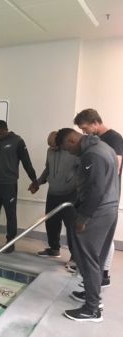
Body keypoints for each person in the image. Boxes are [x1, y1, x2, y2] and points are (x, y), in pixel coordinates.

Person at [56, 128, 118, 322]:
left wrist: (83, 217)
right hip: (109, 208)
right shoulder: (103, 147)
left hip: (97, 212)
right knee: (96, 259)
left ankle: (92, 309)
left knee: (89, 259)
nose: (68, 152)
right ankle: (93, 297)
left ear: (73, 139)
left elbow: (96, 189)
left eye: (67, 148)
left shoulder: (92, 154)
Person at [73, 108, 123, 287]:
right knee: (92, 243)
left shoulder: (114, 139)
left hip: (105, 198)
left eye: (85, 128)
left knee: (102, 241)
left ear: (95, 122)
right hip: (95, 195)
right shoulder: (95, 142)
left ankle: (103, 275)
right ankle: (91, 277)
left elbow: (115, 168)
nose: (84, 132)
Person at [0, 120, 38, 253]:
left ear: (5, 129)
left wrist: (34, 180)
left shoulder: (17, 141)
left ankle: (10, 242)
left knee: (10, 214)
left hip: (9, 184)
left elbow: (26, 162)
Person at [29, 131, 78, 258]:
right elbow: (48, 169)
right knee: (51, 222)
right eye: (50, 146)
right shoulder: (50, 151)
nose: (52, 148)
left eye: (54, 145)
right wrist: (37, 183)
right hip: (53, 193)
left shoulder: (72, 151)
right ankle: (54, 249)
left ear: (61, 142)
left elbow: (82, 170)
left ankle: (75, 256)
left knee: (71, 226)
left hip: (70, 195)